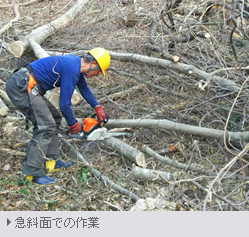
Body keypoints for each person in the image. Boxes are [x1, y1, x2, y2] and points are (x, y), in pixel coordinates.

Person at [6, 48, 111, 185]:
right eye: (98, 72)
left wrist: (97, 107)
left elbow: (84, 89)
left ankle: (52, 162)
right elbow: (64, 104)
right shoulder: (72, 69)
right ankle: (32, 172)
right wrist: (73, 124)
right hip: (21, 85)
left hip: (29, 86)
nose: (97, 75)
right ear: (93, 65)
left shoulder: (76, 66)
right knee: (45, 126)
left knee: (54, 119)